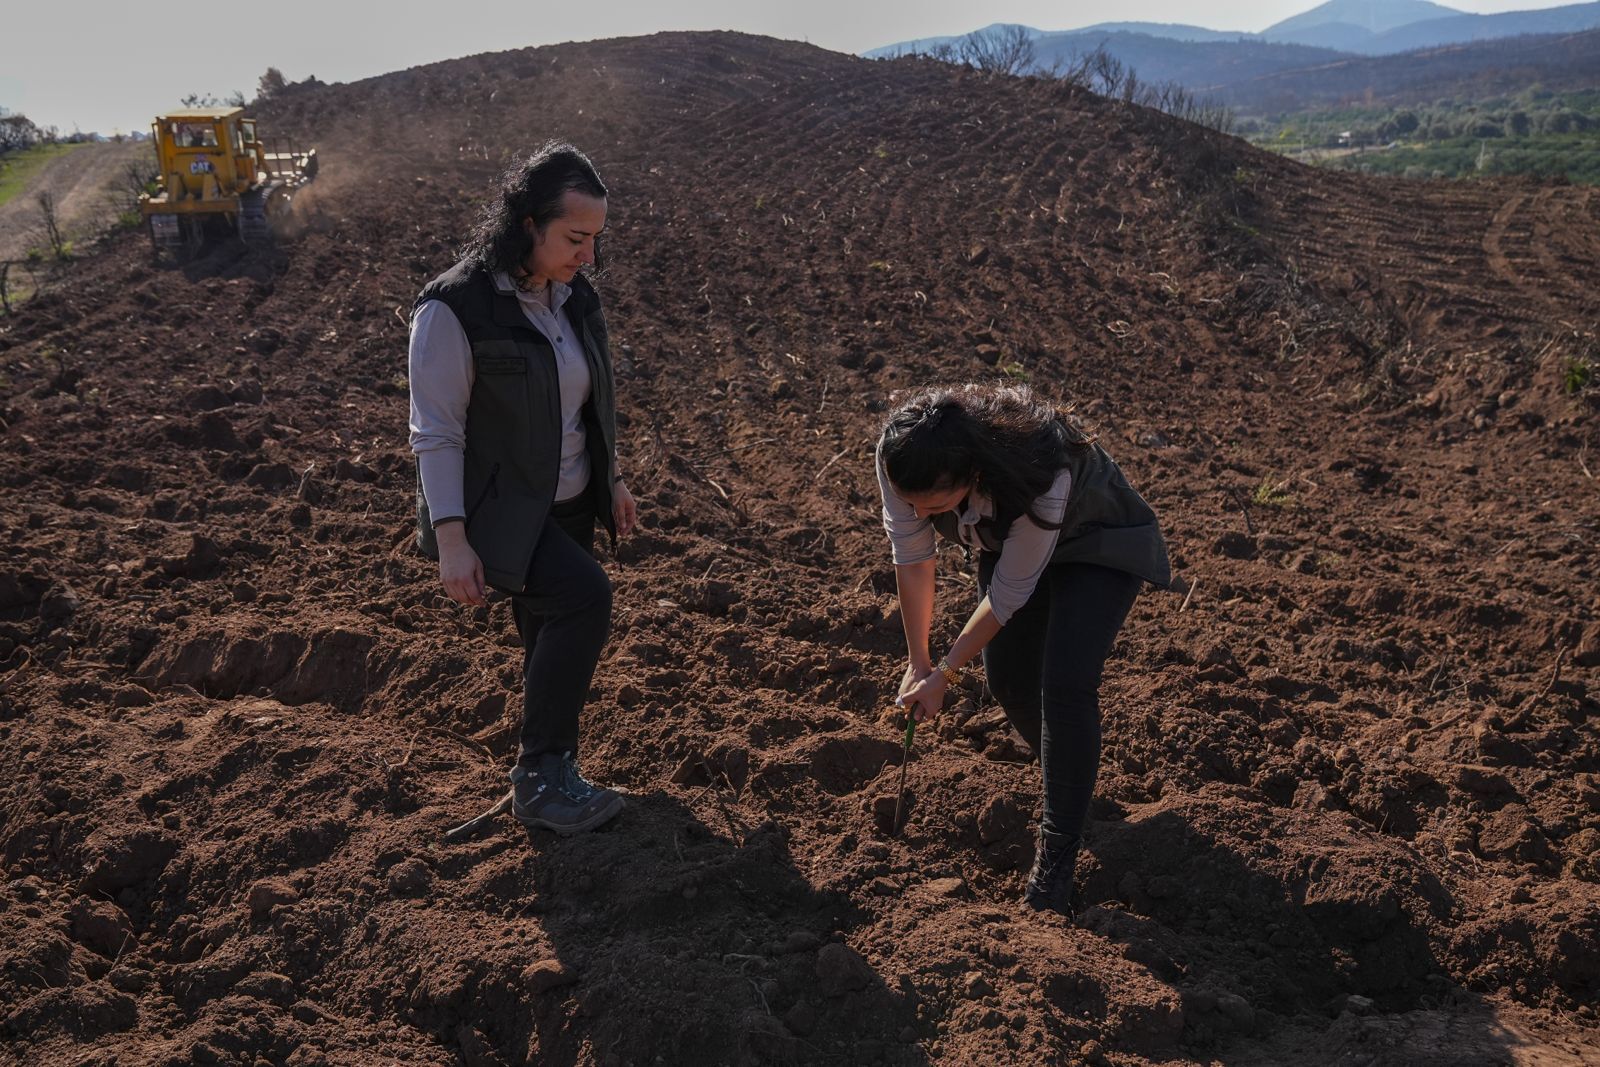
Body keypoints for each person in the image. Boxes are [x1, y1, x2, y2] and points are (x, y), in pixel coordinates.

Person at [408, 141, 637, 835]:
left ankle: (550, 772)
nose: (587, 256)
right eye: (574, 238)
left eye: (595, 240)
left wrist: (613, 478)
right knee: (583, 597)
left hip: (566, 500)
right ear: (528, 223)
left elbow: (592, 398)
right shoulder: (455, 309)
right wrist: (452, 538)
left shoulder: (572, 297)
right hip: (500, 510)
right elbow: (437, 432)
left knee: (547, 631)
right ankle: (540, 775)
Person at [875, 383, 1170, 916]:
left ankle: (1057, 858)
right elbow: (914, 560)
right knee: (1008, 679)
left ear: (974, 473)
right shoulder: (902, 454)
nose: (918, 510)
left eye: (933, 504)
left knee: (1065, 684)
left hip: (1096, 542)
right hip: (1009, 542)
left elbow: (1008, 595)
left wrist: (944, 670)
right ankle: (1071, 786)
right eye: (910, 501)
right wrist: (919, 661)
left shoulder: (1042, 470)